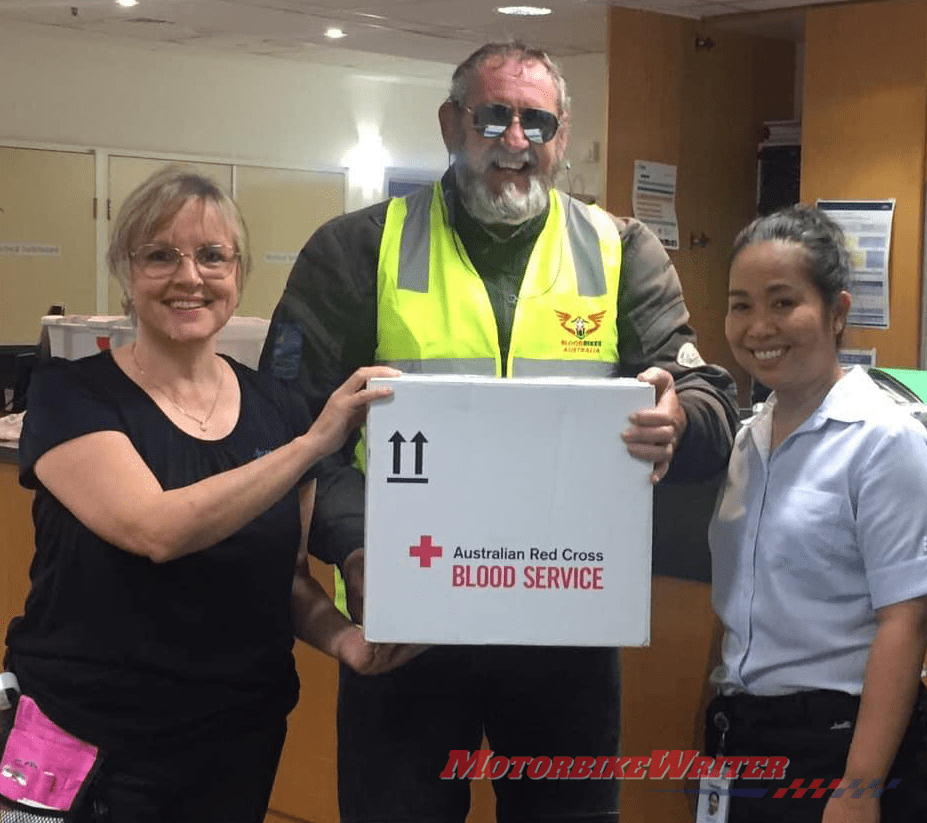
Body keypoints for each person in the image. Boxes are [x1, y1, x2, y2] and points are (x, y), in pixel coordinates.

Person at [260, 42, 739, 823]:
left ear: (561, 133)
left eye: (536, 121)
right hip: (402, 617)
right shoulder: (356, 249)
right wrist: (356, 543)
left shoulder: (621, 250)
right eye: (493, 116)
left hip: (566, 622)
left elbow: (707, 398)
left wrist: (678, 416)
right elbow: (289, 431)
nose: (514, 140)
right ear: (452, 122)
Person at [2, 167, 419, 823]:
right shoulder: (70, 394)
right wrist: (312, 443)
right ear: (127, 272)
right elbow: (155, 530)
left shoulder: (274, 407)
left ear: (239, 272)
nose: (189, 276)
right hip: (85, 736)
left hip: (237, 738)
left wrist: (346, 640)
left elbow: (277, 578)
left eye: (212, 255)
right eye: (160, 255)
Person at [705, 205, 927, 822]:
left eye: (782, 302)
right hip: (740, 736)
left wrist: (858, 790)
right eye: (741, 304)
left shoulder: (885, 439)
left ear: (837, 313)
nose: (758, 327)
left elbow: (905, 622)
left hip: (838, 743)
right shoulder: (749, 439)